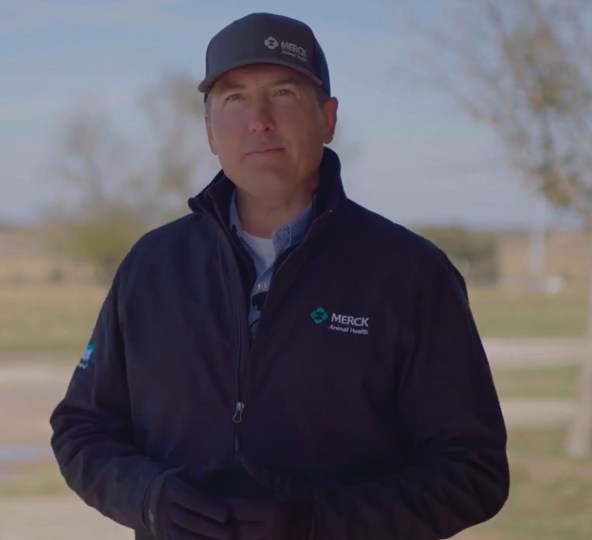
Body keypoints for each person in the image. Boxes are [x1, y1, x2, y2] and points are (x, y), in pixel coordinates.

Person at [49, 12, 509, 540]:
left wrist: (320, 523)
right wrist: (147, 500)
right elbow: (81, 429)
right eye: (234, 98)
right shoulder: (151, 267)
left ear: (328, 117)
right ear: (208, 130)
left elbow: (474, 471)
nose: (259, 120)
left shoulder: (410, 274)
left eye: (285, 94)